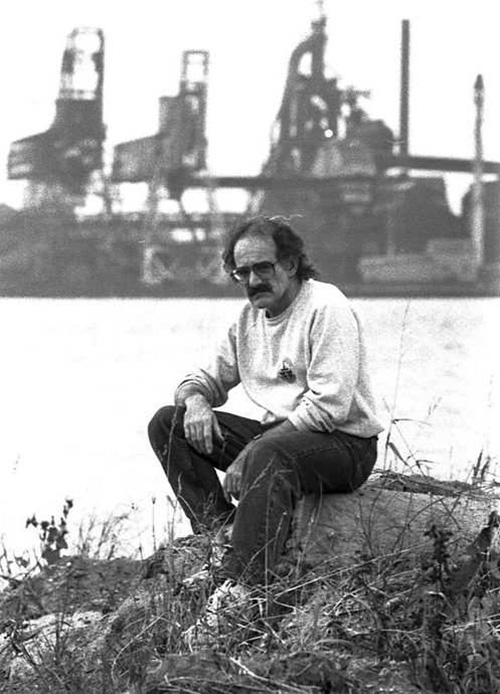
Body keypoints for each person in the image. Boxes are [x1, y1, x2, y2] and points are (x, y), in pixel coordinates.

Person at [148, 215, 384, 589]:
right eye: (243, 273)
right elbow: (202, 379)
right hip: (282, 440)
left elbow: (329, 407)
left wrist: (254, 449)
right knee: (167, 423)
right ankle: (219, 532)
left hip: (345, 446)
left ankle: (243, 585)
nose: (254, 281)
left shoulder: (326, 308)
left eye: (263, 267)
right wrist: (195, 403)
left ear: (290, 264)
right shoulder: (248, 319)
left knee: (266, 454)